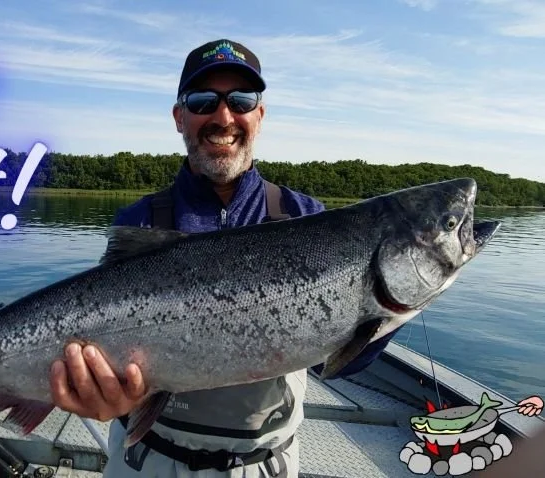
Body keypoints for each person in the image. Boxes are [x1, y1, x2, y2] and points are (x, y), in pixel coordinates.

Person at [48, 39, 400, 477]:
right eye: (202, 102)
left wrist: (386, 308)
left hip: (262, 464)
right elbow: (108, 345)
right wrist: (106, 395)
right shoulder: (139, 221)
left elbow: (338, 365)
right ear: (180, 118)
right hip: (146, 460)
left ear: (260, 116)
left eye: (241, 100)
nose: (223, 117)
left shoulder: (305, 219)